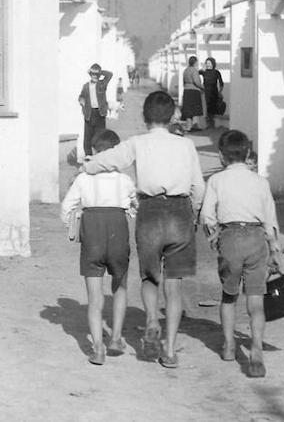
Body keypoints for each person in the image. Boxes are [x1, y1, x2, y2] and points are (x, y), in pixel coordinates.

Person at [83, 91, 205, 368]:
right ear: (172, 116)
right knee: (174, 284)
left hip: (150, 212)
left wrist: (87, 165)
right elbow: (198, 186)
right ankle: (170, 350)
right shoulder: (186, 145)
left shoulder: (137, 143)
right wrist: (195, 213)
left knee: (150, 277)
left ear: (144, 116)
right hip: (179, 210)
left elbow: (110, 159)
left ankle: (151, 319)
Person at [200, 130, 281, 378]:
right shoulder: (261, 182)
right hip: (256, 238)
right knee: (256, 301)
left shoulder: (216, 180)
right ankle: (256, 350)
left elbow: (207, 215)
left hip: (230, 237)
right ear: (247, 154)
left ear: (221, 156)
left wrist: (213, 233)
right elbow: (270, 219)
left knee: (229, 296)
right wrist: (274, 247)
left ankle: (228, 346)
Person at [60, 129, 136, 365]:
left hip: (92, 231)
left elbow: (66, 208)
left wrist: (72, 224)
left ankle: (98, 349)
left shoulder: (83, 179)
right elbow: (135, 206)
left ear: (93, 151)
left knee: (94, 296)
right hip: (117, 229)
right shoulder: (124, 180)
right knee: (120, 286)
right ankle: (116, 338)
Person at [78, 63, 113, 159]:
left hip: (100, 113)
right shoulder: (85, 86)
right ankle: (88, 157)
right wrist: (81, 101)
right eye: (92, 74)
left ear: (99, 75)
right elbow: (81, 96)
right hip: (89, 114)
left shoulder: (102, 83)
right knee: (88, 137)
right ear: (90, 74)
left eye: (96, 74)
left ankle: (100, 157)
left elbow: (110, 74)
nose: (94, 76)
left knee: (100, 135)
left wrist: (99, 72)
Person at [180, 56, 205, 131]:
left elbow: (183, 82)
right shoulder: (194, 70)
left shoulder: (186, 70)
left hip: (186, 90)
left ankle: (188, 126)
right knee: (195, 109)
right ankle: (195, 124)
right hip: (194, 91)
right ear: (195, 62)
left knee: (188, 109)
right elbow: (196, 82)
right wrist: (203, 88)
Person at [200, 57, 225, 129]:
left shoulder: (216, 72)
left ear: (213, 64)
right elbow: (197, 72)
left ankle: (212, 123)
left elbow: (221, 83)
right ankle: (208, 123)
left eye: (209, 63)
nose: (208, 65)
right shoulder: (204, 72)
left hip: (214, 92)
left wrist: (220, 92)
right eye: (207, 63)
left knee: (213, 107)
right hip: (206, 92)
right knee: (207, 107)